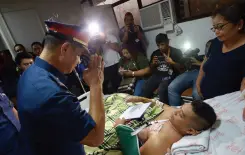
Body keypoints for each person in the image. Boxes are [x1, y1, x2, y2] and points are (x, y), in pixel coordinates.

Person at [17, 21, 105, 155]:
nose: (79, 61)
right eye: (79, 55)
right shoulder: (51, 94)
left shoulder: (30, 72)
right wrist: (95, 84)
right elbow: (96, 137)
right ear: (64, 49)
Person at [193, 1, 245, 121]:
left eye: (220, 27)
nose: (216, 32)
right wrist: (198, 81)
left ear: (239, 24)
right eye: (214, 28)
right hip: (208, 102)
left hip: (227, 109)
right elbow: (205, 62)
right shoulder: (216, 42)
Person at [114, 98, 217, 155]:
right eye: (180, 108)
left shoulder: (159, 141)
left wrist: (120, 128)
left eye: (180, 114)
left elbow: (131, 153)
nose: (176, 111)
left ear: (190, 130)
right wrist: (141, 99)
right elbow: (162, 105)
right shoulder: (176, 119)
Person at [168, 40, 212, 106]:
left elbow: (214, 67)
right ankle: (175, 111)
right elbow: (182, 65)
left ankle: (199, 114)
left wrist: (199, 63)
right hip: (190, 73)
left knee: (196, 94)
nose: (207, 48)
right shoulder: (200, 56)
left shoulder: (215, 58)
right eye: (206, 46)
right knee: (171, 87)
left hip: (203, 74)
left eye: (209, 46)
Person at [141, 33, 183, 103]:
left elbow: (182, 69)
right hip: (157, 75)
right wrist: (153, 64)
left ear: (168, 42)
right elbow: (150, 68)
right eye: (158, 45)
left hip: (170, 75)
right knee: (145, 87)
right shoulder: (155, 53)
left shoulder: (176, 52)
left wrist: (172, 62)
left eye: (162, 44)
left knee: (162, 89)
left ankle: (164, 108)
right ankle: (145, 106)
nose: (160, 47)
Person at [92, 30, 121, 94]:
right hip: (105, 66)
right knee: (107, 85)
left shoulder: (111, 37)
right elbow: (98, 54)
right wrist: (98, 45)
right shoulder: (97, 40)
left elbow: (118, 48)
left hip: (115, 62)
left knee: (118, 83)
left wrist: (106, 42)